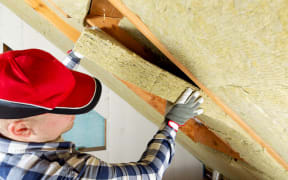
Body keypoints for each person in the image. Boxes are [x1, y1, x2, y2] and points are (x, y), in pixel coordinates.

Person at [0, 49, 204, 180]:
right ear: (22, 129)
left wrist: (76, 54)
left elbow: (38, 89)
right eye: (66, 107)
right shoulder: (67, 175)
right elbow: (149, 173)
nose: (76, 110)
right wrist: (172, 124)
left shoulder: (13, 122)